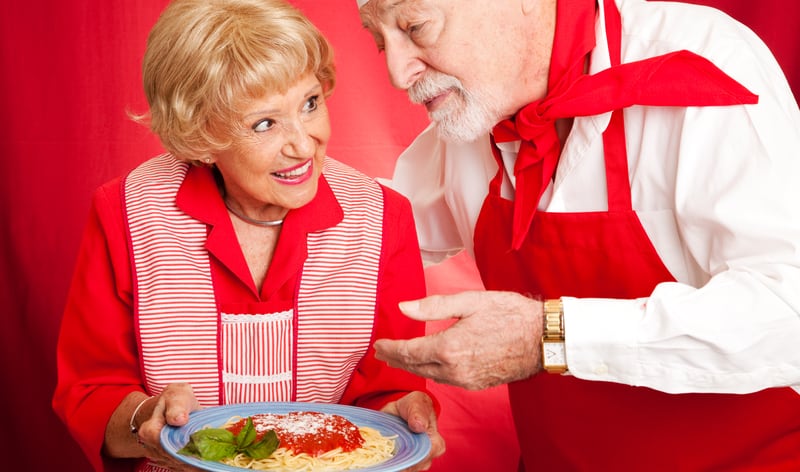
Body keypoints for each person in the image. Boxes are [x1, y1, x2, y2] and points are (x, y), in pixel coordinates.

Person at [357, 0, 800, 470]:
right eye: (379, 41)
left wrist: (551, 337)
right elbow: (373, 237)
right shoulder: (472, 111)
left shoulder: (705, 57)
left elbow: (787, 312)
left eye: (414, 26)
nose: (397, 72)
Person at [52, 1, 445, 471]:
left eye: (310, 103)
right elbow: (91, 393)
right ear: (200, 134)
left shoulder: (382, 218)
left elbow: (389, 388)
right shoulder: (128, 212)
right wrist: (145, 420)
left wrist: (402, 417)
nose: (303, 143)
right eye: (265, 123)